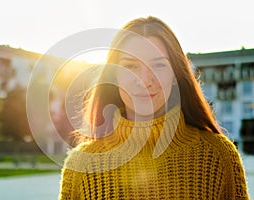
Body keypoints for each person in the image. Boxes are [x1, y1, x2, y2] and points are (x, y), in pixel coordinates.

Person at [59, 16, 249, 199]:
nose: (144, 80)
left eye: (158, 65)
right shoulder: (80, 165)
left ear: (176, 75)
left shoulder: (220, 156)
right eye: (130, 66)